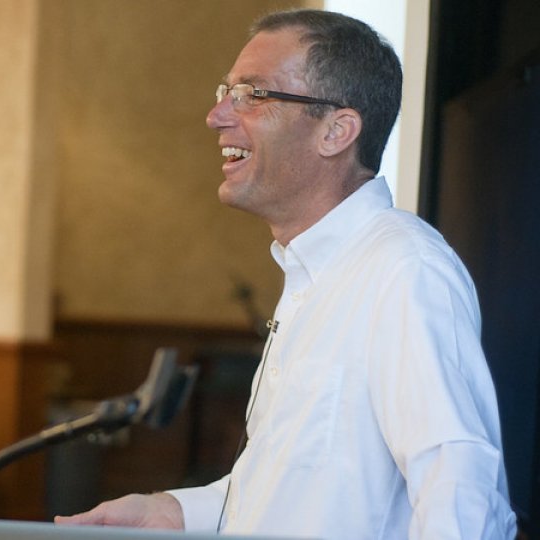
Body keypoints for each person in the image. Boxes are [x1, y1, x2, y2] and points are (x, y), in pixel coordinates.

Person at [56, 9, 517, 540]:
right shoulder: (312, 276)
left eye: (252, 94)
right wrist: (171, 512)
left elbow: (461, 496)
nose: (216, 116)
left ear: (337, 131)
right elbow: (288, 494)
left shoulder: (403, 269)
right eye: (225, 90)